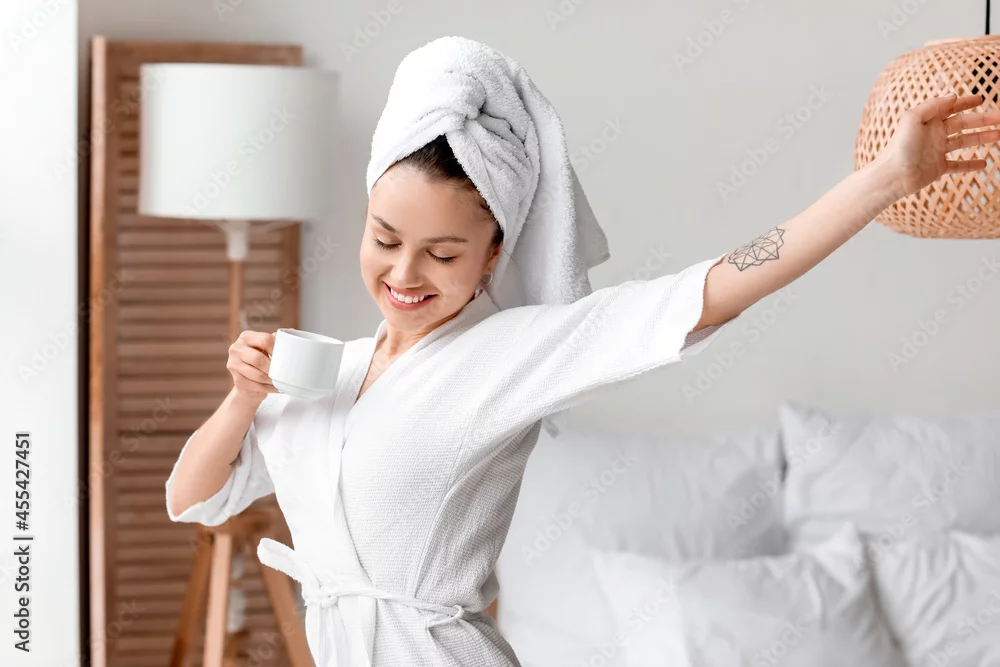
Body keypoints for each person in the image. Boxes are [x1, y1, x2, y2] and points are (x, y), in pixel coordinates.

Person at [164, 34, 1000, 667]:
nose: (405, 273)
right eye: (385, 239)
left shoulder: (510, 353)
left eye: (443, 254)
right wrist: (243, 397)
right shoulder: (330, 372)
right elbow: (191, 497)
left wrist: (883, 180)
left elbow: (714, 288)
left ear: (492, 255)